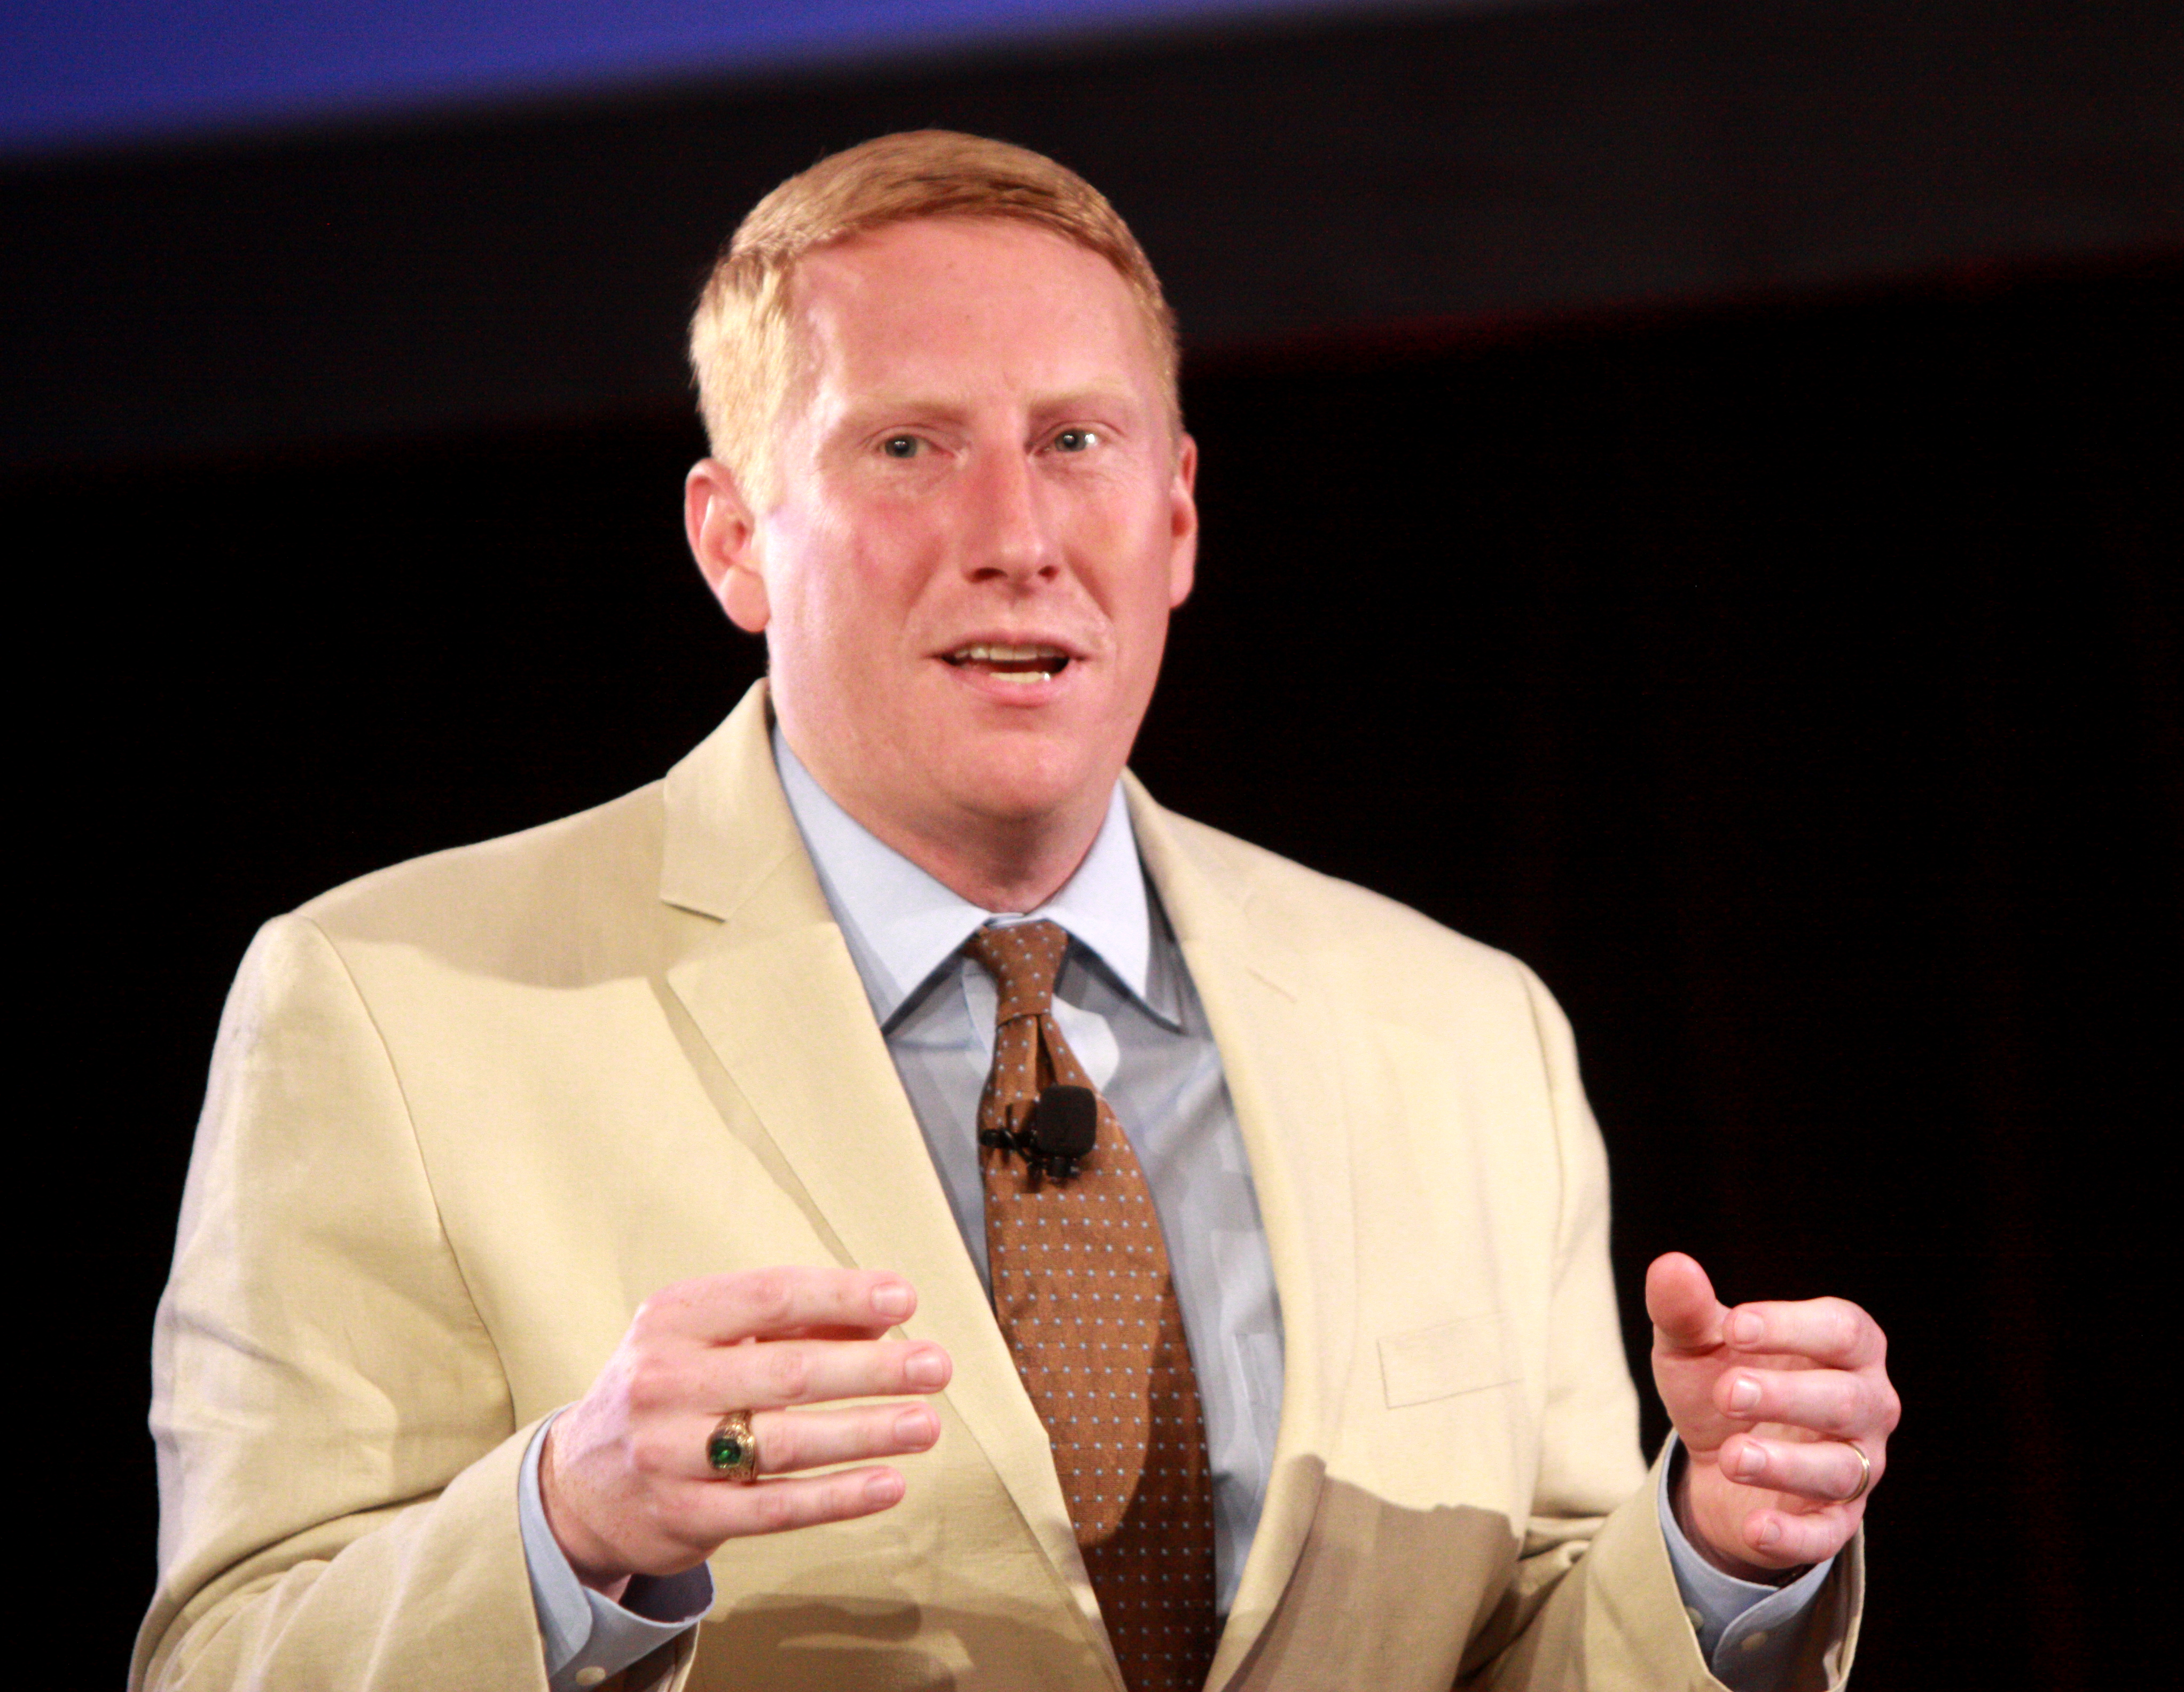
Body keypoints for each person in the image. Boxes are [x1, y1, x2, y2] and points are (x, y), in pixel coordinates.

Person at [136, 131, 1898, 1692]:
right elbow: (230, 1662)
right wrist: (566, 1520)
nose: (1016, 533)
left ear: (1179, 516)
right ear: (735, 539)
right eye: (907, 446)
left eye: (1076, 440)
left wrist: (1719, 1560)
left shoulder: (1460, 1028)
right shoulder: (390, 1005)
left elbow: (1530, 1649)